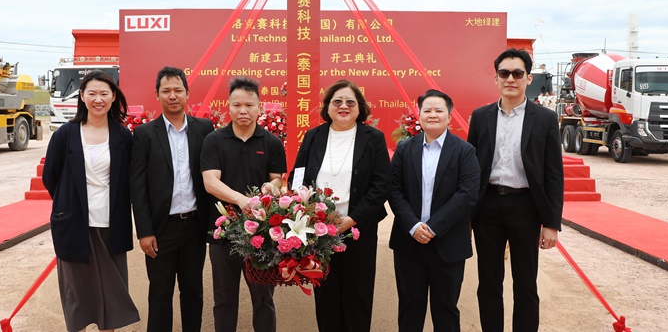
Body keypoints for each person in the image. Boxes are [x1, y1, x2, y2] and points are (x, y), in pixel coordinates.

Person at [467, 48, 564, 332]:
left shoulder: (545, 118)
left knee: (525, 284)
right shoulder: (481, 116)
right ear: (496, 78)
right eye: (504, 73)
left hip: (526, 208)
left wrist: (551, 224)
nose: (510, 79)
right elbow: (471, 169)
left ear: (528, 78)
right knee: (488, 283)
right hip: (487, 208)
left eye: (517, 73)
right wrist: (467, 215)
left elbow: (554, 174)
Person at [289, 79, 391, 332]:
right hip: (319, 232)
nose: (343, 106)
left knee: (358, 296)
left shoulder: (373, 138)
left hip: (358, 229)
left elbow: (381, 185)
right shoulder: (313, 136)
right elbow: (297, 177)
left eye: (350, 102)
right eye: (337, 101)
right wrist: (306, 207)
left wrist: (351, 220)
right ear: (327, 107)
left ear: (360, 108)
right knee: (326, 296)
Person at [41, 70, 140, 332]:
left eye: (104, 93)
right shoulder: (65, 134)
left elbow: (131, 179)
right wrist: (68, 205)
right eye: (92, 93)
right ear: (82, 96)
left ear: (113, 97)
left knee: (112, 293)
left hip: (111, 224)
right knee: (78, 295)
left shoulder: (122, 136)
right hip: (74, 225)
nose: (98, 99)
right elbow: (51, 177)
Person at [130, 67, 214, 332]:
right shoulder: (145, 134)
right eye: (166, 91)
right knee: (160, 293)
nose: (173, 95)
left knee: (193, 292)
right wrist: (145, 231)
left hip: (194, 227)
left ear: (187, 93)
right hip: (160, 229)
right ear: (157, 95)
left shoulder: (204, 129)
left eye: (178, 90)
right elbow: (138, 187)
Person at [388, 89, 480, 332]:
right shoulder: (404, 149)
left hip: (448, 243)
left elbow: (467, 194)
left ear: (449, 116)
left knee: (446, 309)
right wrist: (413, 226)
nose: (432, 115)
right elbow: (394, 191)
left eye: (439, 110)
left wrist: (433, 227)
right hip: (409, 243)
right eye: (427, 110)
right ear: (419, 115)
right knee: (409, 307)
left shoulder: (465, 151)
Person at [201, 76, 287, 332]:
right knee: (224, 300)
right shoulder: (214, 140)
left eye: (249, 105)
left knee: (264, 301)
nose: (243, 110)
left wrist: (271, 187)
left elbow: (277, 179)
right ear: (228, 106)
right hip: (223, 235)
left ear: (259, 107)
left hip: (262, 237)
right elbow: (210, 182)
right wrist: (241, 200)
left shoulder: (271, 142)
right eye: (237, 105)